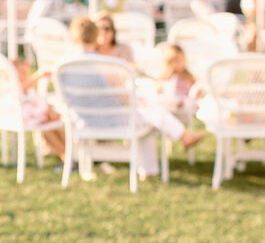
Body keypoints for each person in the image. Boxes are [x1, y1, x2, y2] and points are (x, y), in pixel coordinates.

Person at [68, 16, 205, 174]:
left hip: (81, 122)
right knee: (147, 111)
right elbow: (124, 96)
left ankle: (156, 163)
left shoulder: (64, 65)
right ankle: (152, 167)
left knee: (146, 109)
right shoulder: (104, 65)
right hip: (114, 121)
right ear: (95, 35)